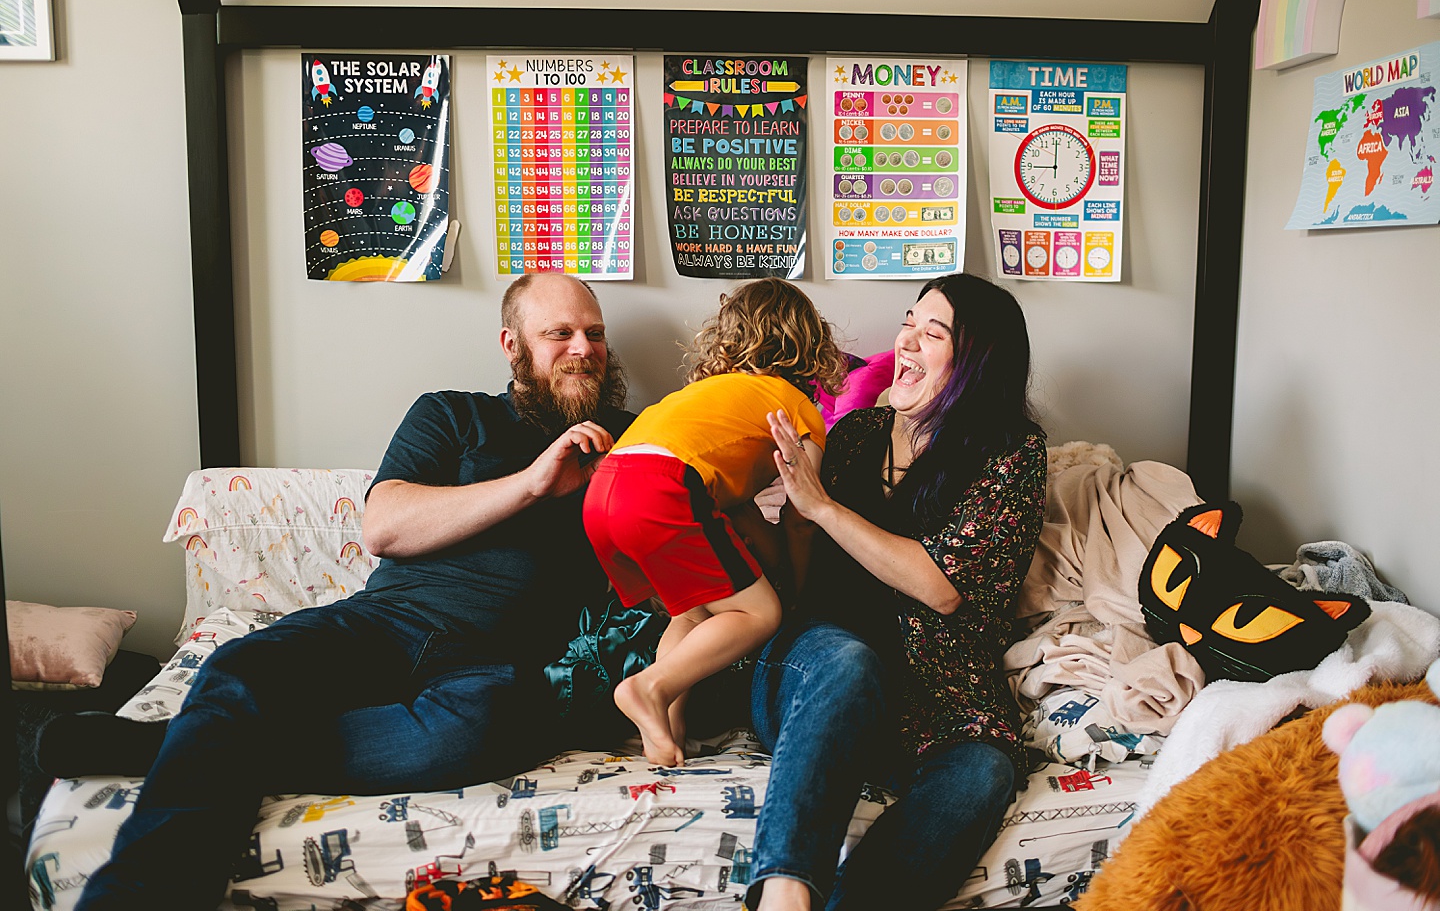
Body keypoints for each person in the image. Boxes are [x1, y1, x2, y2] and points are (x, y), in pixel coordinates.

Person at [46, 273, 635, 911]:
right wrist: (530, 482)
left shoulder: (635, 438)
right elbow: (383, 526)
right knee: (242, 668)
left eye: (594, 332)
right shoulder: (453, 414)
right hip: (386, 623)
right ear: (512, 344)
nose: (584, 347)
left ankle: (176, 745)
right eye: (560, 333)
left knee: (479, 730)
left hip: (500, 658)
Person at [749, 273, 1048, 911]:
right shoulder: (854, 435)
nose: (905, 340)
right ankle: (783, 896)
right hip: (819, 675)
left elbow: (941, 588)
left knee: (987, 770)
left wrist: (824, 509)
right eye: (907, 322)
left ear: (974, 362)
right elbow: (797, 578)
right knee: (851, 662)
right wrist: (781, 519)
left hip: (940, 700)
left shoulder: (1012, 454)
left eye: (930, 332)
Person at [583, 278, 849, 767]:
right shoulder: (797, 409)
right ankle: (649, 688)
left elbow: (733, 514)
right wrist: (797, 592)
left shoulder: (705, 397)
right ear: (812, 348)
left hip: (604, 492)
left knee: (693, 613)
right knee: (758, 614)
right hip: (660, 489)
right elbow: (802, 515)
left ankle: (667, 732)